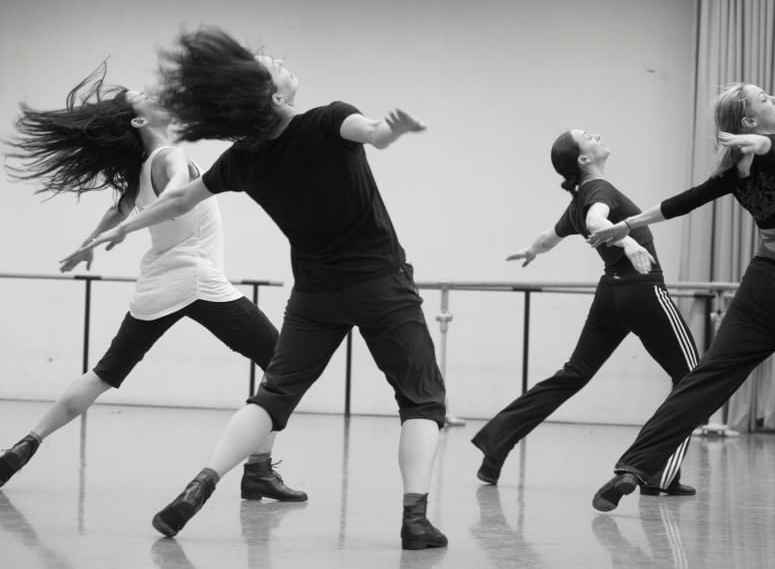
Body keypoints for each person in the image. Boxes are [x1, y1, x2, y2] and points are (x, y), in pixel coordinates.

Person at [72, 27, 447, 550]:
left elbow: (178, 202)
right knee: (422, 401)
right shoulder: (330, 118)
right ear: (273, 95)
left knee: (273, 396)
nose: (276, 60)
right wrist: (393, 129)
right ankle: (415, 521)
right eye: (270, 64)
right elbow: (375, 135)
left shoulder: (243, 159)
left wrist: (119, 229)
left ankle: (200, 484)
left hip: (314, 298)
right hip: (382, 284)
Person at [1, 64, 306, 504]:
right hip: (198, 281)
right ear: (140, 121)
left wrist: (93, 241)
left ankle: (23, 446)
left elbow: (119, 210)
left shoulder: (143, 168)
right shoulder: (169, 157)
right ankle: (257, 469)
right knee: (282, 364)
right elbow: (175, 195)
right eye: (142, 96)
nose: (152, 92)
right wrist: (113, 234)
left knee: (104, 373)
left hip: (156, 289)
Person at [587, 83, 775, 512]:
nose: (773, 98)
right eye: (763, 99)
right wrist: (749, 139)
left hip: (760, 293)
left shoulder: (735, 171)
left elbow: (680, 203)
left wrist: (626, 226)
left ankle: (632, 468)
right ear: (751, 121)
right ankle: (635, 468)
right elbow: (763, 145)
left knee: (705, 381)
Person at [471, 129, 699, 496]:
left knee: (573, 373)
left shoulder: (579, 197)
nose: (598, 135)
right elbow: (596, 222)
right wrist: (626, 243)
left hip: (612, 293)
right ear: (583, 159)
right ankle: (658, 473)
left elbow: (551, 236)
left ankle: (496, 440)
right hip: (641, 289)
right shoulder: (598, 190)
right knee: (695, 379)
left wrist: (532, 250)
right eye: (589, 136)